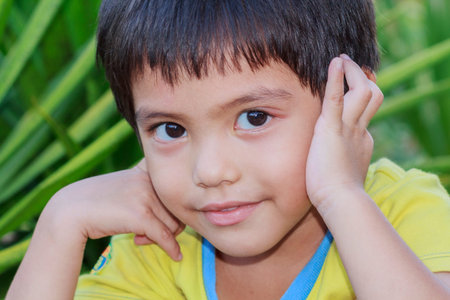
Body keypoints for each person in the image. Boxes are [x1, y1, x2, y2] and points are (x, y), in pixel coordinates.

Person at [7, 0, 450, 299]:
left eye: (254, 118)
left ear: (349, 99)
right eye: (170, 129)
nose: (211, 170)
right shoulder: (159, 246)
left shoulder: (403, 212)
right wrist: (58, 225)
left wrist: (341, 196)